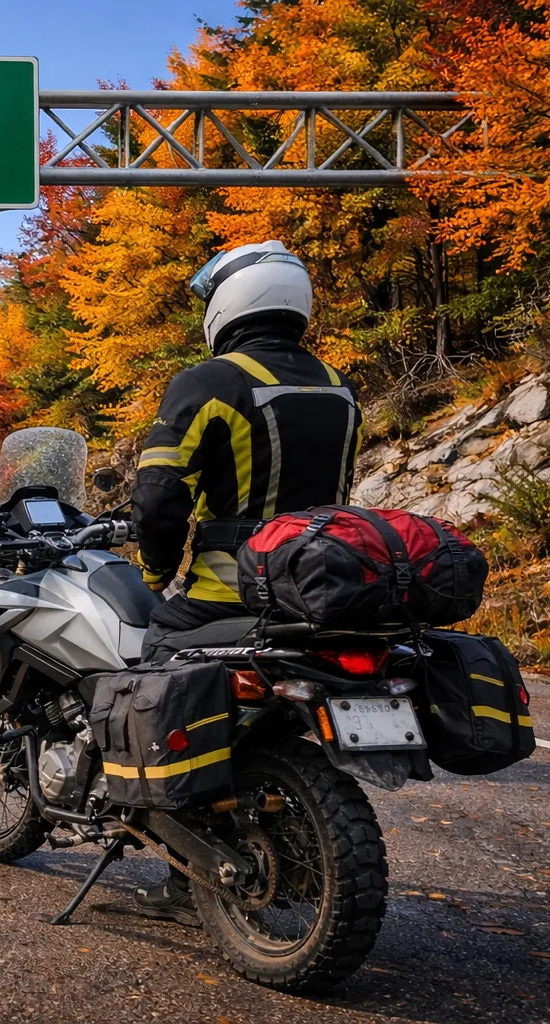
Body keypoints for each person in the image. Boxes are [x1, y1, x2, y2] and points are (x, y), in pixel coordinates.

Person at [129, 239, 363, 926]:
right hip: (324, 589)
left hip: (232, 588)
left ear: (230, 302)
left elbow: (159, 498)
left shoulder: (211, 382)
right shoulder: (338, 386)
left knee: (150, 677)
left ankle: (181, 864)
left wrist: (154, 572)